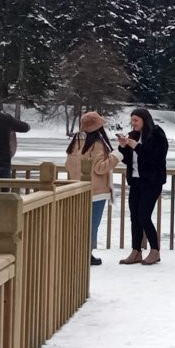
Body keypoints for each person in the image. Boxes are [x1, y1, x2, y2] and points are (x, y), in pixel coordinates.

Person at [64, 112, 121, 266]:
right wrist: (117, 155)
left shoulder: (75, 140)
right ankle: (86, 254)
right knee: (91, 225)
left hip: (76, 188)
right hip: (96, 191)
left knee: (78, 223)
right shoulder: (96, 143)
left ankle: (76, 252)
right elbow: (100, 168)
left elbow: (68, 165)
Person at [117, 108, 168, 265]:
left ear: (144, 120)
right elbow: (128, 160)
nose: (133, 124)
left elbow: (157, 157)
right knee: (134, 217)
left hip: (152, 182)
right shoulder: (133, 135)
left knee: (144, 216)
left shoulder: (157, 134)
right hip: (135, 181)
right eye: (132, 120)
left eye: (136, 120)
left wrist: (137, 147)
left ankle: (155, 250)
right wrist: (123, 147)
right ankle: (136, 251)